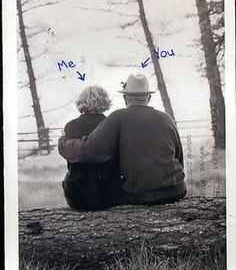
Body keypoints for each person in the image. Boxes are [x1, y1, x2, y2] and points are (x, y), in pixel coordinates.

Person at [58, 74, 187, 205]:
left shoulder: (118, 118)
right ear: (149, 97)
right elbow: (179, 157)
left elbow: (89, 150)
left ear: (125, 97)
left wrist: (63, 143)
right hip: (177, 190)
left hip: (141, 196)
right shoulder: (166, 118)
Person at [61, 85, 123, 211]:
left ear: (81, 102)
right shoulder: (111, 125)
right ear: (104, 101)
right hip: (108, 195)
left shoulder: (70, 126)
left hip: (77, 196)